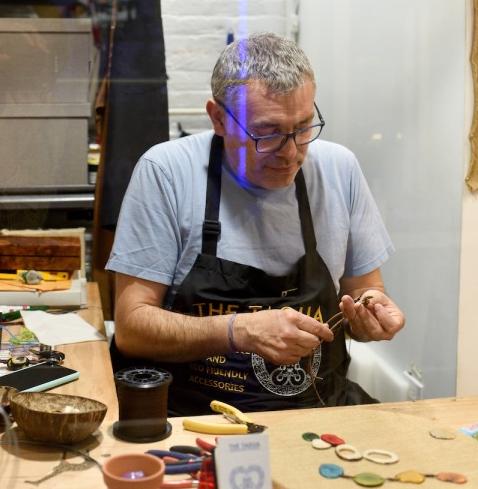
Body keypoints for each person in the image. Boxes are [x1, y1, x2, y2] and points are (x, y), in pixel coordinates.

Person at [106, 32, 405, 415]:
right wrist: (239, 332)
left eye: (303, 128)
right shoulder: (167, 171)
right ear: (218, 118)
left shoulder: (339, 169)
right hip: (196, 419)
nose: (291, 152)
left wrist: (370, 317)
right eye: (267, 134)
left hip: (318, 410)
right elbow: (132, 328)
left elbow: (365, 292)